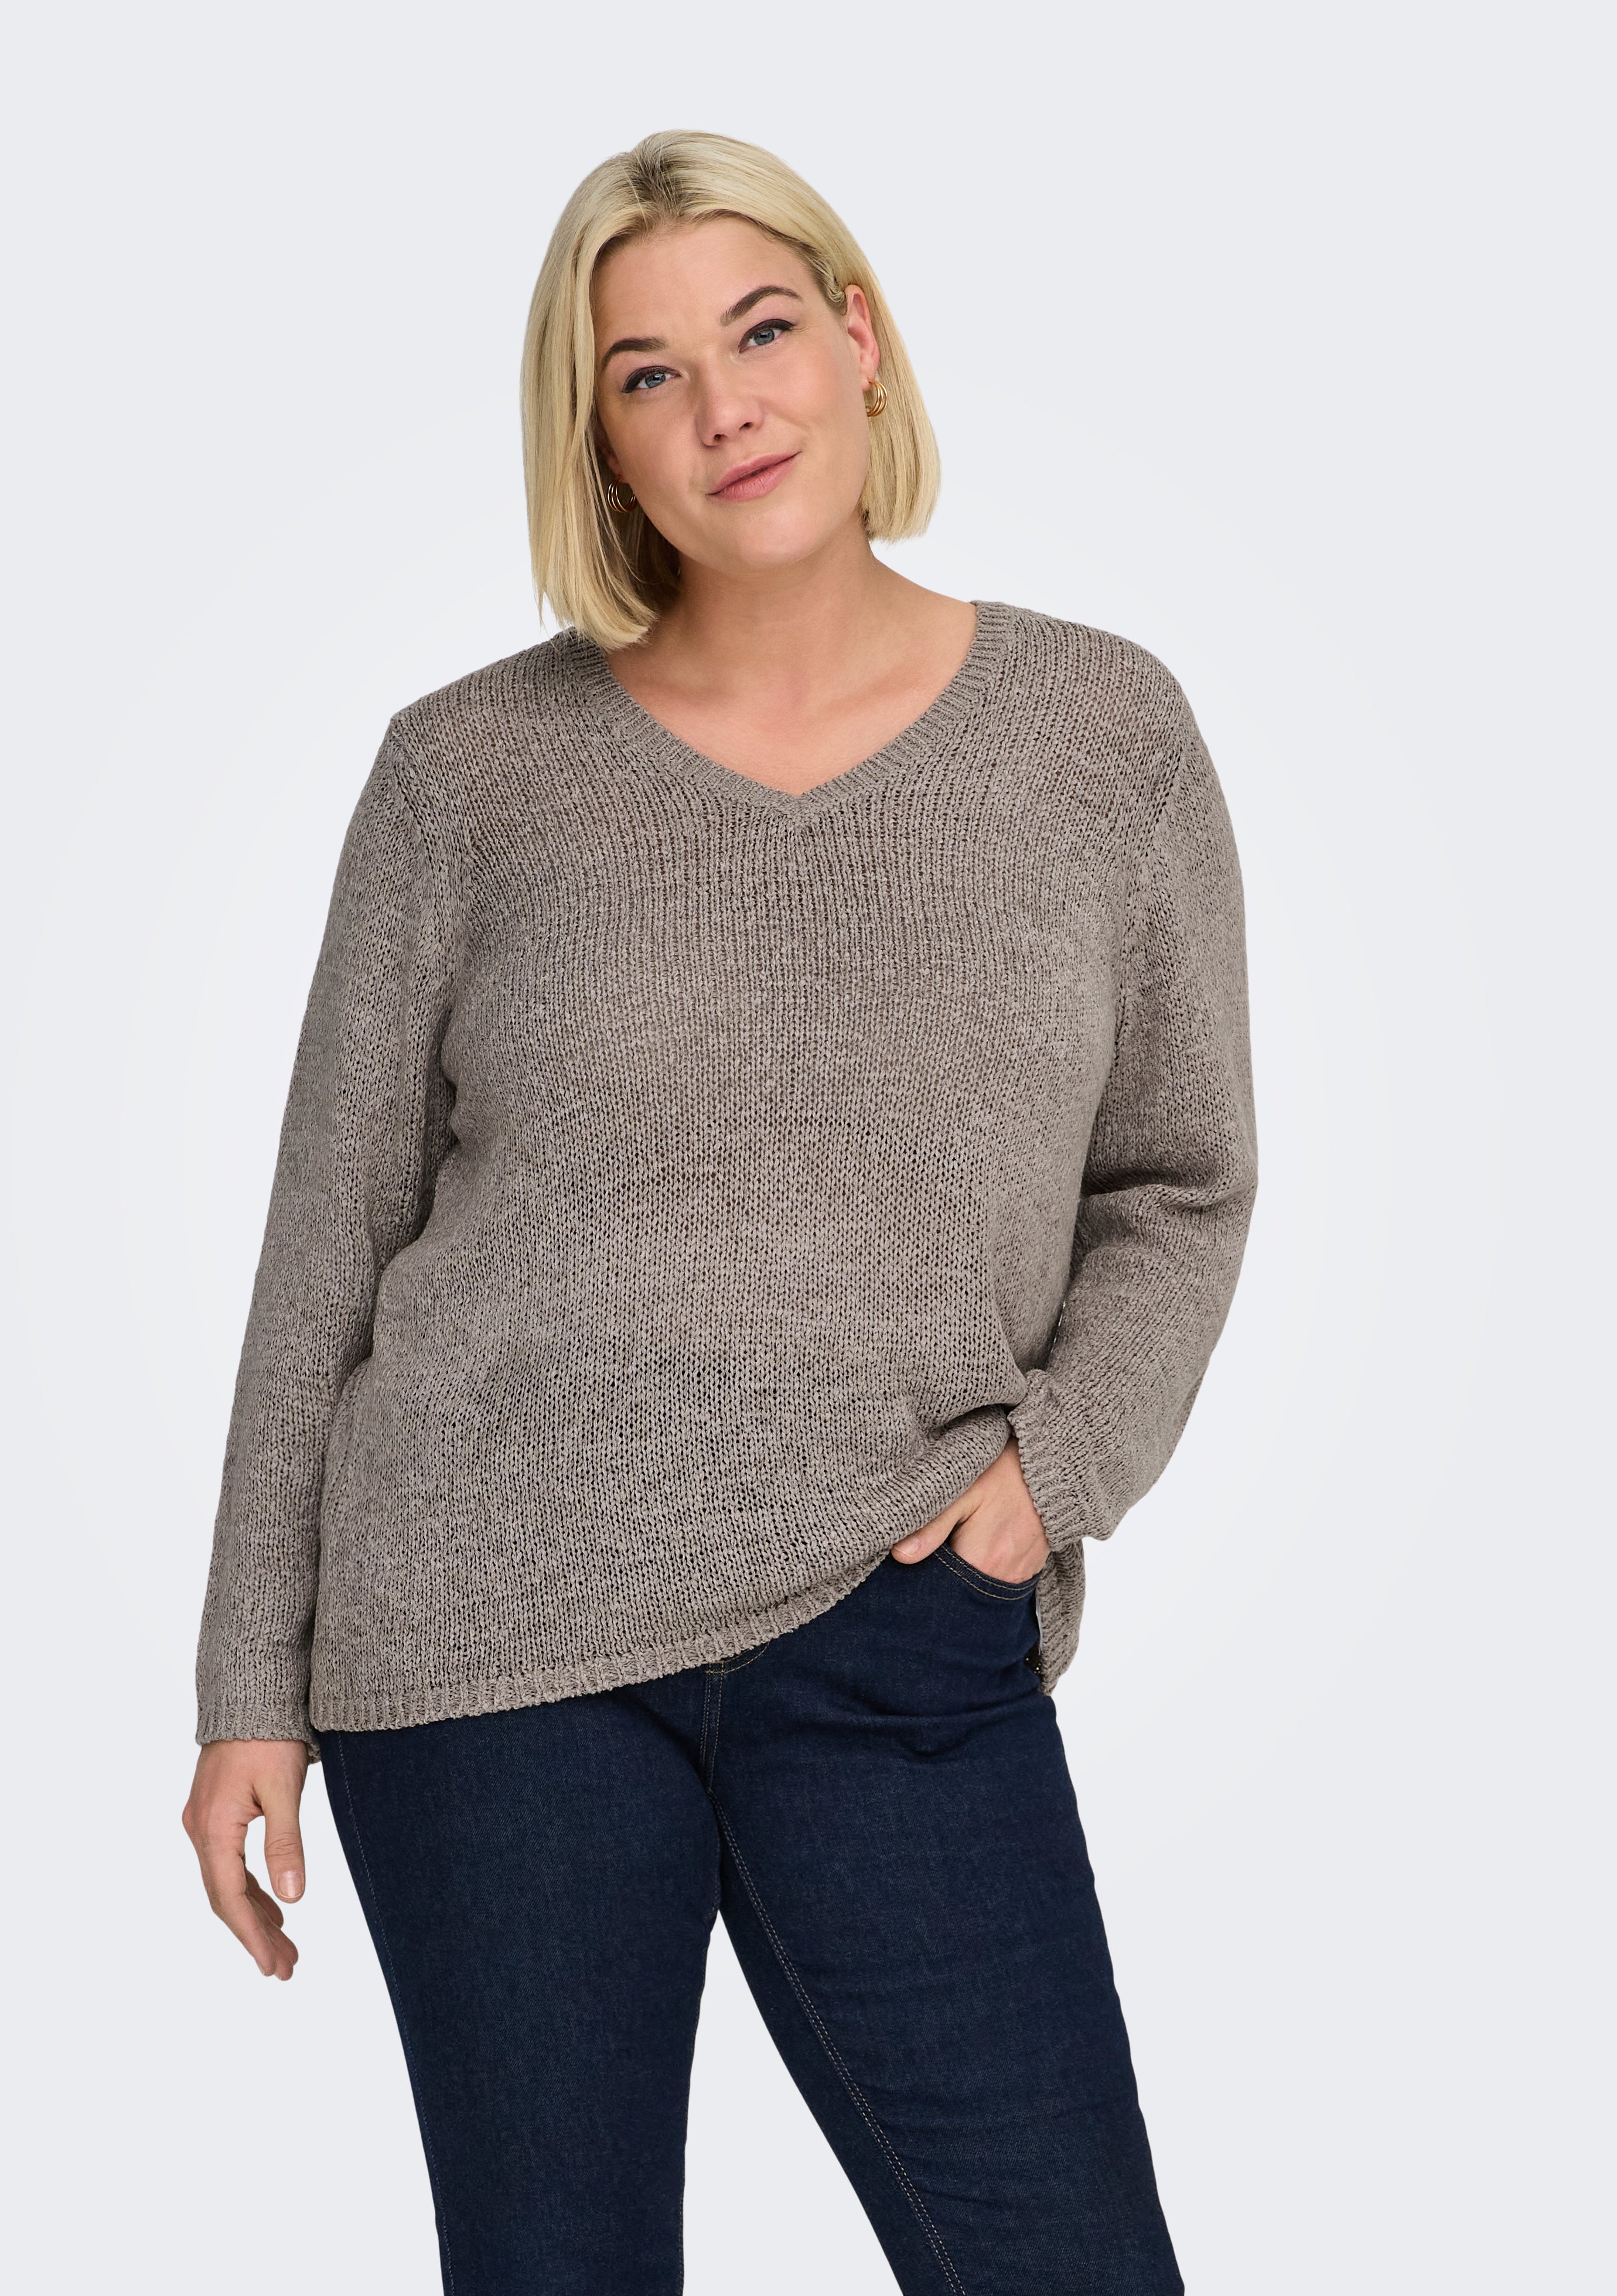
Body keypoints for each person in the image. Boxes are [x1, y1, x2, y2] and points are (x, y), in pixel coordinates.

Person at [182, 129, 1258, 2296]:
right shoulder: (466, 777)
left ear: (858, 341)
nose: (723, 409)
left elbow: (1176, 1180)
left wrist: (1047, 1489)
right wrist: (245, 1691)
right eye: (645, 375)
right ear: (595, 440)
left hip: (897, 1621)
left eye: (760, 333)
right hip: (483, 1653)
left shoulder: (1097, 737)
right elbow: (328, 1246)